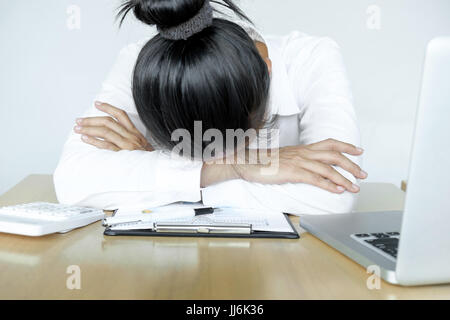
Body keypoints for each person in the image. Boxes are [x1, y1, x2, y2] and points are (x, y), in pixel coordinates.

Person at [54, 0, 367, 215]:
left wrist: (156, 168)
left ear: (267, 74)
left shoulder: (313, 59)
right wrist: (235, 167)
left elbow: (335, 194)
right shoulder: (140, 64)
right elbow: (73, 182)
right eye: (198, 151)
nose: (218, 157)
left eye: (224, 150)